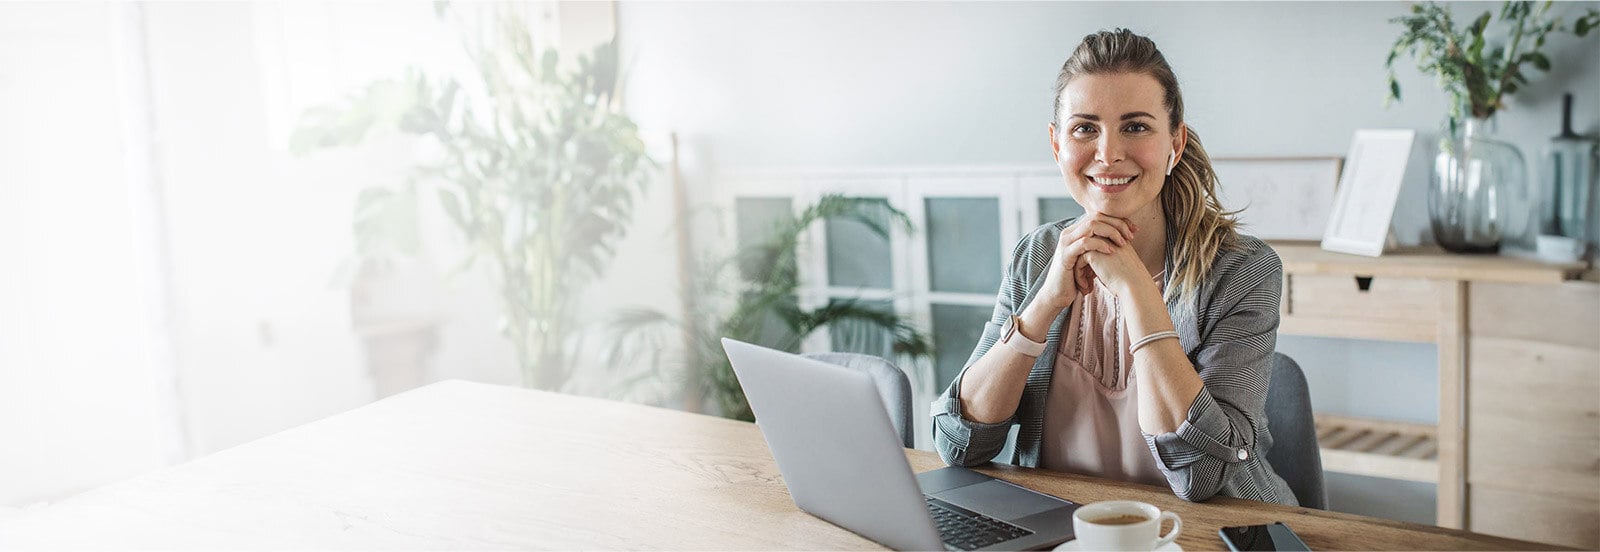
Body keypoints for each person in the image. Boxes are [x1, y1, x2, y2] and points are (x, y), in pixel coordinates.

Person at [930, 28, 1296, 505]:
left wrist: (1137, 291)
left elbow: (1202, 477)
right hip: (1068, 530)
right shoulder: (1038, 254)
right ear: (1057, 144)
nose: (1108, 153)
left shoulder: (1243, 271)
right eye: (1085, 128)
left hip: (1206, 533)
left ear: (1175, 144)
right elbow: (959, 442)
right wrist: (1045, 304)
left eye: (1136, 126)